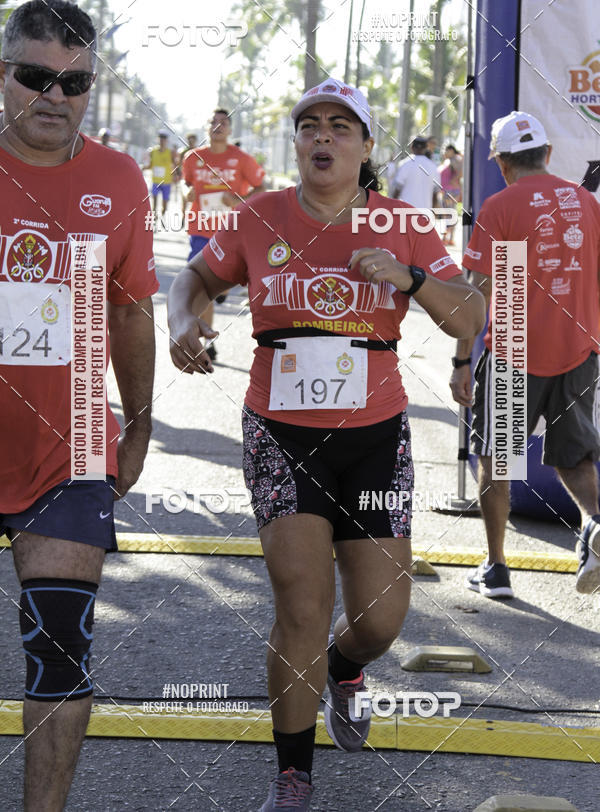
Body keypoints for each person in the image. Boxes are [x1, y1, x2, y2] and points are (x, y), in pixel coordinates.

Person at [168, 77, 485, 810]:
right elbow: (195, 277)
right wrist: (185, 321)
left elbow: (469, 318)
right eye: (310, 124)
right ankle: (294, 774)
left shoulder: (404, 224)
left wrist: (409, 278)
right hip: (280, 435)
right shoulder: (258, 215)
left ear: (367, 146)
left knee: (379, 619)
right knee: (301, 605)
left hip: (375, 439)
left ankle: (345, 668)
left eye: (341, 127)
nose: (322, 137)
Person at [0, 0, 158, 810]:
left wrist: (139, 420)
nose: (55, 97)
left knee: (59, 649)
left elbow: (131, 310)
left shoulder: (119, 180)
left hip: (71, 450)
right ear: (4, 75)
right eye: (36, 77)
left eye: (76, 83)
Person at [450, 110, 600, 598]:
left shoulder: (501, 206)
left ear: (502, 163)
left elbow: (480, 292)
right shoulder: (584, 201)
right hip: (580, 345)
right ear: (548, 155)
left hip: (516, 345)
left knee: (499, 460)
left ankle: (496, 568)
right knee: (574, 457)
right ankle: (595, 525)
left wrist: (460, 362)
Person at [181, 107, 265, 359]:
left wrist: (240, 200)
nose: (218, 126)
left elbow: (261, 186)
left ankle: (224, 290)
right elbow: (186, 186)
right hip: (200, 230)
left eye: (223, 122)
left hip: (232, 231)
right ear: (207, 127)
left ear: (230, 129)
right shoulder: (192, 158)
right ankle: (208, 341)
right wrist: (188, 194)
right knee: (203, 287)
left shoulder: (241, 159)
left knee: (218, 285)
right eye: (213, 122)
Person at [391, 135, 440, 209]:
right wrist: (433, 213)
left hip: (406, 212)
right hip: (425, 214)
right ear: (426, 148)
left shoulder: (405, 164)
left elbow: (397, 190)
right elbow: (435, 193)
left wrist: (392, 208)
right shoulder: (433, 167)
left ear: (412, 147)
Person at [144, 128, 177, 226]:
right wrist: (143, 168)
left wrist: (175, 176)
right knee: (154, 202)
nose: (162, 140)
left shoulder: (170, 152)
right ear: (158, 139)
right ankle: (154, 218)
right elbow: (150, 165)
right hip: (155, 181)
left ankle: (161, 216)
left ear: (166, 140)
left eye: (164, 138)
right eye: (160, 138)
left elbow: (175, 165)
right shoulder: (152, 151)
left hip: (166, 182)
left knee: (165, 205)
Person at [438, 143, 463, 246]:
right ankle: (448, 238)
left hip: (451, 191)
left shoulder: (454, 160)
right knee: (449, 214)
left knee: (449, 214)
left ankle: (446, 238)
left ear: (451, 151)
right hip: (447, 191)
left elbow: (461, 171)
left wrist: (454, 180)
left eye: (446, 150)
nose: (444, 152)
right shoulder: (448, 161)